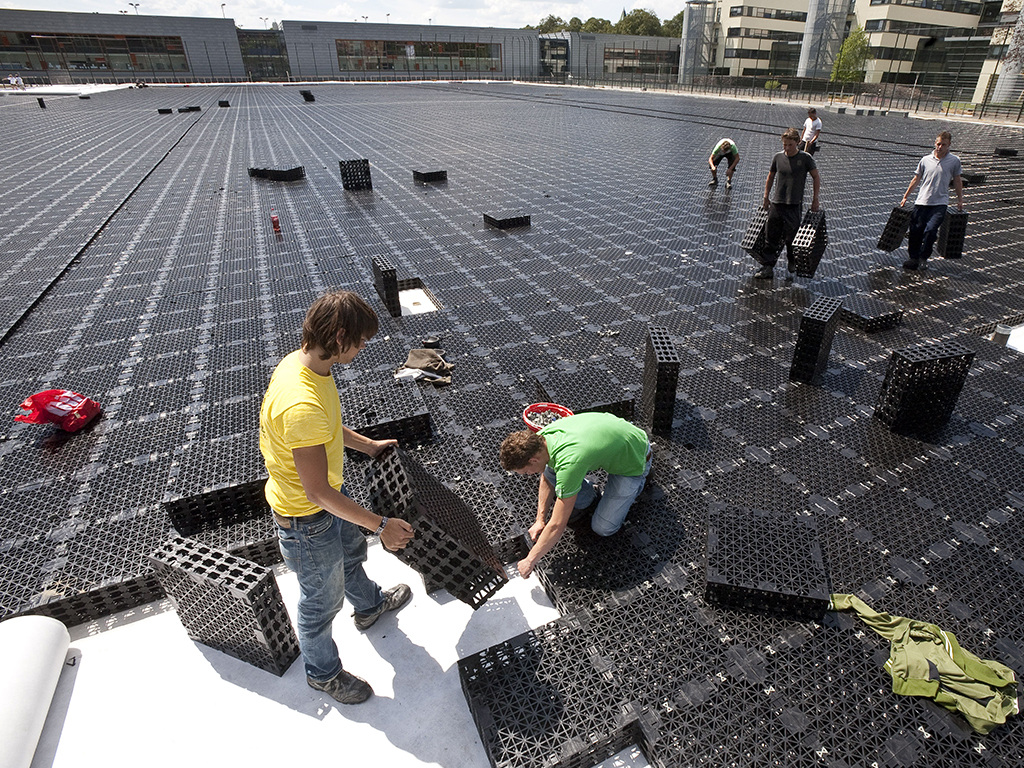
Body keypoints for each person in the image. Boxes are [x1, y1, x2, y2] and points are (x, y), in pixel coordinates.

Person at [259, 289, 415, 705]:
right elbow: (316, 490)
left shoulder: (306, 365)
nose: (362, 349)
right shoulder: (300, 403)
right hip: (307, 518)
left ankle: (369, 606)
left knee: (349, 556)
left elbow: (326, 427)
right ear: (340, 336)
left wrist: (368, 445)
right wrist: (381, 525)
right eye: (360, 341)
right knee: (320, 602)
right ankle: (322, 674)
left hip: (329, 498)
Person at [499, 412, 652, 578]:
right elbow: (547, 476)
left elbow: (557, 524)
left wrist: (530, 560)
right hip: (620, 441)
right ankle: (592, 493)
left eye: (525, 472)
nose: (528, 474)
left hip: (635, 459)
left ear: (533, 460)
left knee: (603, 528)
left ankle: (642, 479)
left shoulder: (569, 463)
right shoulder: (541, 439)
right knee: (551, 471)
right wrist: (540, 519)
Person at [757, 127, 821, 280]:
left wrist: (815, 198)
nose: (787, 148)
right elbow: (770, 176)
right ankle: (768, 267)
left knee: (791, 236)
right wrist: (766, 196)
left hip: (793, 204)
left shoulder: (805, 159)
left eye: (790, 145)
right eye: (784, 144)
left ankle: (791, 259)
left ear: (797, 142)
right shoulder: (778, 157)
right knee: (771, 236)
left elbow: (816, 177)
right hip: (777, 203)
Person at [900, 130, 963, 270]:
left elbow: (957, 180)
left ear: (949, 145)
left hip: (940, 203)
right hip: (922, 201)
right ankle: (913, 258)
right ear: (935, 143)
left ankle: (923, 257)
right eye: (938, 144)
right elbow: (916, 179)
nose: (940, 147)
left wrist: (960, 199)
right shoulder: (925, 160)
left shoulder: (954, 161)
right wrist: (906, 196)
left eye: (943, 145)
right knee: (915, 231)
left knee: (930, 231)